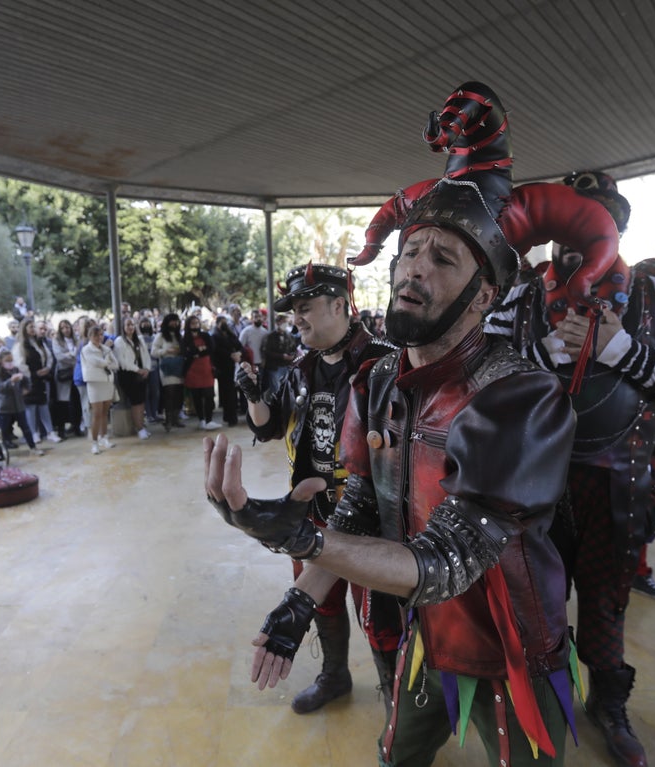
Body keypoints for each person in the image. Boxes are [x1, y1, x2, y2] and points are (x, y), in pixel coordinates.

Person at [209, 81, 582, 765]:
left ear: (485, 293)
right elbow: (358, 507)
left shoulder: (522, 397)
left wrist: (302, 537)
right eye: (410, 251)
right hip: (426, 635)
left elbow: (451, 559)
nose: (414, 269)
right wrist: (297, 605)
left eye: (443, 259)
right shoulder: (376, 380)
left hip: (515, 648)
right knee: (396, 756)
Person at [485, 169, 655, 767]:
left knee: (606, 597)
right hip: (533, 475)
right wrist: (543, 355)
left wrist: (622, 351)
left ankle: (608, 703)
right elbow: (477, 377)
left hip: (618, 476)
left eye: (597, 220)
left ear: (617, 227)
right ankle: (542, 701)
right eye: (572, 218)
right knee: (534, 599)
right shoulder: (520, 291)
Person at [238, 262, 398, 715]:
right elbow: (268, 428)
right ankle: (334, 676)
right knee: (318, 604)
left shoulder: (386, 362)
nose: (297, 319)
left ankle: (395, 700)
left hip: (371, 518)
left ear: (339, 305)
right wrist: (252, 394)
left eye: (305, 308)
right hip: (308, 515)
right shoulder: (301, 367)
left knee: (378, 613)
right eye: (294, 312)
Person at [0, 349, 42, 456]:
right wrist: (11, 381)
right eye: (7, 360)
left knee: (26, 428)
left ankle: (33, 447)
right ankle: (2, 452)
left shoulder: (15, 369)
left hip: (19, 405)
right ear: (0, 361)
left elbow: (26, 380)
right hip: (4, 407)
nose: (10, 362)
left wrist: (26, 389)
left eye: (11, 360)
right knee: (3, 431)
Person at [14, 319, 58, 444]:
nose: (33, 329)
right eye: (30, 327)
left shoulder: (39, 343)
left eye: (34, 326)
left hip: (41, 378)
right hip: (29, 380)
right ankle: (34, 433)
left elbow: (48, 356)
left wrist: (47, 368)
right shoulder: (20, 346)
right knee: (31, 407)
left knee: (43, 405)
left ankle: (50, 432)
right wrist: (31, 375)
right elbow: (20, 363)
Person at [80, 325, 119, 454]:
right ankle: (95, 442)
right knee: (96, 414)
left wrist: (106, 362)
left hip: (107, 382)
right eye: (95, 335)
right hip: (94, 383)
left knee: (104, 413)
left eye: (101, 335)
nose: (99, 338)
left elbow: (116, 364)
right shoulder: (86, 350)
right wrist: (106, 362)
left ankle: (104, 437)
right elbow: (96, 362)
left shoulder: (106, 348)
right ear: (90, 337)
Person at [113, 317, 153, 440]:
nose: (130, 327)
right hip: (128, 375)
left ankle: (141, 425)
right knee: (136, 402)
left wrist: (147, 368)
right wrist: (138, 370)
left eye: (132, 324)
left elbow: (146, 355)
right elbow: (122, 361)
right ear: (123, 327)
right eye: (127, 325)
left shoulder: (139, 339)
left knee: (141, 402)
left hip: (141, 374)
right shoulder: (119, 341)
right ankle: (139, 428)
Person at [181, 314, 220, 430]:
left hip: (206, 369)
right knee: (196, 397)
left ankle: (209, 420)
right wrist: (199, 351)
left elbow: (211, 349)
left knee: (209, 396)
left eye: (197, 323)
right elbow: (186, 353)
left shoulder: (205, 335)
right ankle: (201, 420)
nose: (195, 325)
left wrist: (197, 352)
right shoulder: (185, 339)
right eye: (193, 323)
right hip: (192, 371)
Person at [151, 313, 186, 432]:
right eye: (172, 321)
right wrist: (166, 350)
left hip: (179, 367)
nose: (174, 324)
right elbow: (154, 352)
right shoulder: (160, 336)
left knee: (179, 394)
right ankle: (169, 420)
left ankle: (176, 418)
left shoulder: (179, 336)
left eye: (176, 321)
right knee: (169, 393)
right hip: (166, 369)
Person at [51, 319, 84, 438]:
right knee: (62, 403)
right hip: (63, 374)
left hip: (76, 374)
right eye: (63, 328)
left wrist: (70, 356)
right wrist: (72, 357)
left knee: (76, 402)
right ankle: (61, 429)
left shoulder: (77, 340)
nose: (65, 330)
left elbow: (79, 354)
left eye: (67, 327)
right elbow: (59, 357)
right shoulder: (56, 341)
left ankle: (76, 426)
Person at [210, 316, 243, 427]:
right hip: (223, 368)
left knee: (232, 393)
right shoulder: (215, 336)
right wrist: (230, 355)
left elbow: (239, 345)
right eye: (222, 322)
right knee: (226, 393)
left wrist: (238, 353)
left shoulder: (230, 334)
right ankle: (229, 417)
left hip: (233, 366)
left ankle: (232, 416)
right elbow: (216, 350)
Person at [260, 313, 298, 394]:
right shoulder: (270, 336)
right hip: (275, 368)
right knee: (277, 390)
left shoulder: (289, 335)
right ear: (278, 323)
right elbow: (266, 351)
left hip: (287, 366)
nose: (286, 324)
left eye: (287, 322)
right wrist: (282, 356)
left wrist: (292, 356)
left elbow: (294, 348)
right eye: (284, 322)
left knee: (287, 389)